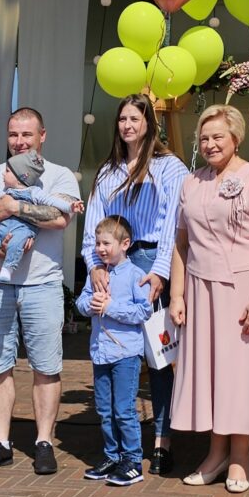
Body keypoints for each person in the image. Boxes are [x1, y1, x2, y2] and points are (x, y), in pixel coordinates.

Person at [169, 104, 249, 492]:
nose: (210, 144)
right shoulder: (191, 182)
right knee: (212, 374)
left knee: (239, 376)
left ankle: (240, 456)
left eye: (217, 136)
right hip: (201, 292)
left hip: (243, 291)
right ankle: (215, 453)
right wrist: (177, 294)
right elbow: (181, 243)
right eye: (203, 138)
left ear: (236, 137)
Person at [0, 107, 81, 475]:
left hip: (43, 285)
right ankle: (0, 442)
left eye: (27, 135)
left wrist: (16, 206)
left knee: (46, 367)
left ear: (42, 136)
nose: (19, 141)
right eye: (14, 134)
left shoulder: (60, 175)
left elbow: (60, 218)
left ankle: (43, 442)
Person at [81, 94, 188, 475]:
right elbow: (93, 224)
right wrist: (94, 264)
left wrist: (160, 272)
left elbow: (174, 224)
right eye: (122, 119)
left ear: (149, 124)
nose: (127, 125)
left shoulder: (169, 166)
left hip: (151, 262)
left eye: (135, 118)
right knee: (117, 350)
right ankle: (117, 449)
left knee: (158, 356)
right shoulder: (107, 171)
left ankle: (162, 440)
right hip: (113, 265)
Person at [77, 216, 153, 486]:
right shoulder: (97, 274)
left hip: (125, 354)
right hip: (100, 353)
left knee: (124, 409)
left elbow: (144, 311)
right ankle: (112, 456)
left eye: (106, 243)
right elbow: (81, 303)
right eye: (97, 243)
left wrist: (111, 308)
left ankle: (132, 460)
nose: (100, 248)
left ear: (125, 244)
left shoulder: (136, 275)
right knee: (104, 410)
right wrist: (91, 304)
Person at [0, 150, 84, 287]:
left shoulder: (34, 192)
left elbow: (52, 202)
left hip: (23, 228)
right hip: (2, 228)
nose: (3, 174)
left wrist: (70, 207)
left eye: (8, 171)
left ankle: (8, 268)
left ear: (22, 176)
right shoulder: (6, 191)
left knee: (16, 244)